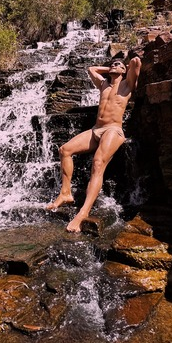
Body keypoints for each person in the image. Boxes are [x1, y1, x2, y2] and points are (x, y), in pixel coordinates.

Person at [47, 56, 142, 232]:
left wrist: (125, 67)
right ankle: (66, 193)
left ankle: (83, 213)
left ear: (124, 71)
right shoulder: (103, 85)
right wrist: (112, 69)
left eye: (118, 65)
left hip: (113, 130)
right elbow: (91, 69)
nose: (113, 65)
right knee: (65, 150)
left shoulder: (127, 85)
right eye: (112, 64)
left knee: (98, 163)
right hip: (96, 130)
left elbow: (136, 62)